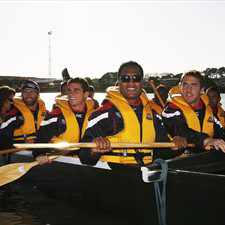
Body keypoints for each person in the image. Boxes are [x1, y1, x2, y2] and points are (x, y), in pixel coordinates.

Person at [79, 61, 186, 166]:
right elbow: (85, 158)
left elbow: (161, 153)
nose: (131, 83)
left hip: (145, 173)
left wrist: (175, 147)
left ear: (142, 82)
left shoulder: (154, 114)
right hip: (112, 175)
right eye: (125, 79)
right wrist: (93, 150)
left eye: (136, 78)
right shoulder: (104, 114)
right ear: (118, 82)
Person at [33, 77, 98, 164]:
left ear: (86, 94)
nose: (71, 94)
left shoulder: (95, 114)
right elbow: (40, 139)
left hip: (86, 157)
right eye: (69, 90)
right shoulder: (56, 115)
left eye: (76, 90)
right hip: (63, 160)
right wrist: (39, 154)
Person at [162, 70, 225, 153]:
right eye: (185, 84)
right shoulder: (170, 110)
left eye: (194, 85)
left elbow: (221, 132)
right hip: (180, 159)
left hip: (205, 158)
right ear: (180, 87)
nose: (188, 89)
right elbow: (181, 130)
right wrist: (206, 140)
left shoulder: (208, 110)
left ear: (202, 90)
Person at [0, 80, 46, 149]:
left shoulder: (45, 112)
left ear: (38, 94)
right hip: (20, 152)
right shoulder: (14, 113)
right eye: (25, 91)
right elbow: (2, 139)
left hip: (41, 148)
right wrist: (23, 143)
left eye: (32, 91)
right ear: (21, 94)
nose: (28, 94)